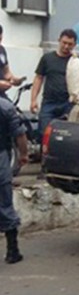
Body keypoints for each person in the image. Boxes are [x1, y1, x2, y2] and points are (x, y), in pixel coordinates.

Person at [30, 29, 78, 135]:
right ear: (59, 40)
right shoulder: (47, 58)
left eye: (70, 44)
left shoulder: (76, 61)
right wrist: (33, 100)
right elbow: (38, 78)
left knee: (67, 134)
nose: (66, 46)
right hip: (49, 102)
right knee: (45, 133)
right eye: (64, 43)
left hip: (68, 103)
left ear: (74, 45)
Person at [0, 98, 28, 264]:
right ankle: (12, 250)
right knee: (4, 204)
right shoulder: (6, 107)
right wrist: (23, 155)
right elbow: (20, 135)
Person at [0, 25, 26, 101]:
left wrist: (14, 80)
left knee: (11, 107)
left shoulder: (2, 50)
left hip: (2, 94)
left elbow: (6, 72)